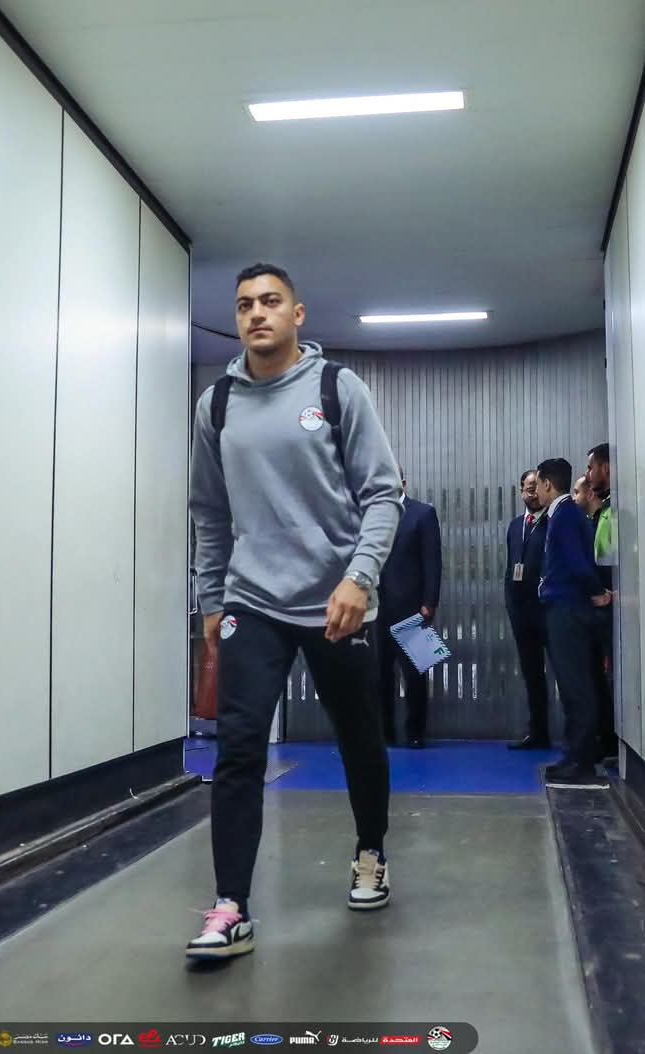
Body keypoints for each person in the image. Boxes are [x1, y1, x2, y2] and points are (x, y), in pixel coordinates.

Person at [187, 262, 403, 959]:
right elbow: (208, 510)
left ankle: (370, 852)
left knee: (358, 738)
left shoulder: (336, 388)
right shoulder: (217, 404)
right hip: (252, 600)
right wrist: (211, 599)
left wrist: (359, 579)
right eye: (245, 304)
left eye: (270, 301)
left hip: (337, 602)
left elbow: (383, 494)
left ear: (297, 313)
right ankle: (230, 906)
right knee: (239, 746)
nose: (257, 313)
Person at [535, 458, 612, 785]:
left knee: (575, 686)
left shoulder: (565, 515)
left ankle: (580, 762)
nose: (536, 491)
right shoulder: (565, 514)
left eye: (537, 484)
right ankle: (574, 756)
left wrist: (596, 592)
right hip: (567, 608)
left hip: (568, 610)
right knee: (573, 685)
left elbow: (578, 564)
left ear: (547, 484)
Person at [377, 468, 442, 748]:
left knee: (415, 672)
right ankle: (384, 732)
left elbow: (432, 561)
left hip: (411, 608)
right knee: (380, 673)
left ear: (403, 482)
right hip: (376, 609)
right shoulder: (373, 515)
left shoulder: (422, 514)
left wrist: (429, 602)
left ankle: (415, 732)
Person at [504, 470, 551, 749]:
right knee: (532, 675)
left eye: (536, 488)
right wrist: (510, 604)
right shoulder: (514, 526)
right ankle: (538, 732)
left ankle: (580, 739)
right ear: (521, 491)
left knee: (564, 674)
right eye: (528, 489)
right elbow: (510, 568)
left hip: (549, 611)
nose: (532, 494)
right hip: (522, 614)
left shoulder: (553, 522)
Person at [585, 443, 617, 759]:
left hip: (616, 606)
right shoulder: (603, 510)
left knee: (612, 677)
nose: (589, 474)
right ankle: (606, 740)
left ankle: (613, 741)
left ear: (605, 467)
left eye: (591, 467)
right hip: (601, 605)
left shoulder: (618, 508)